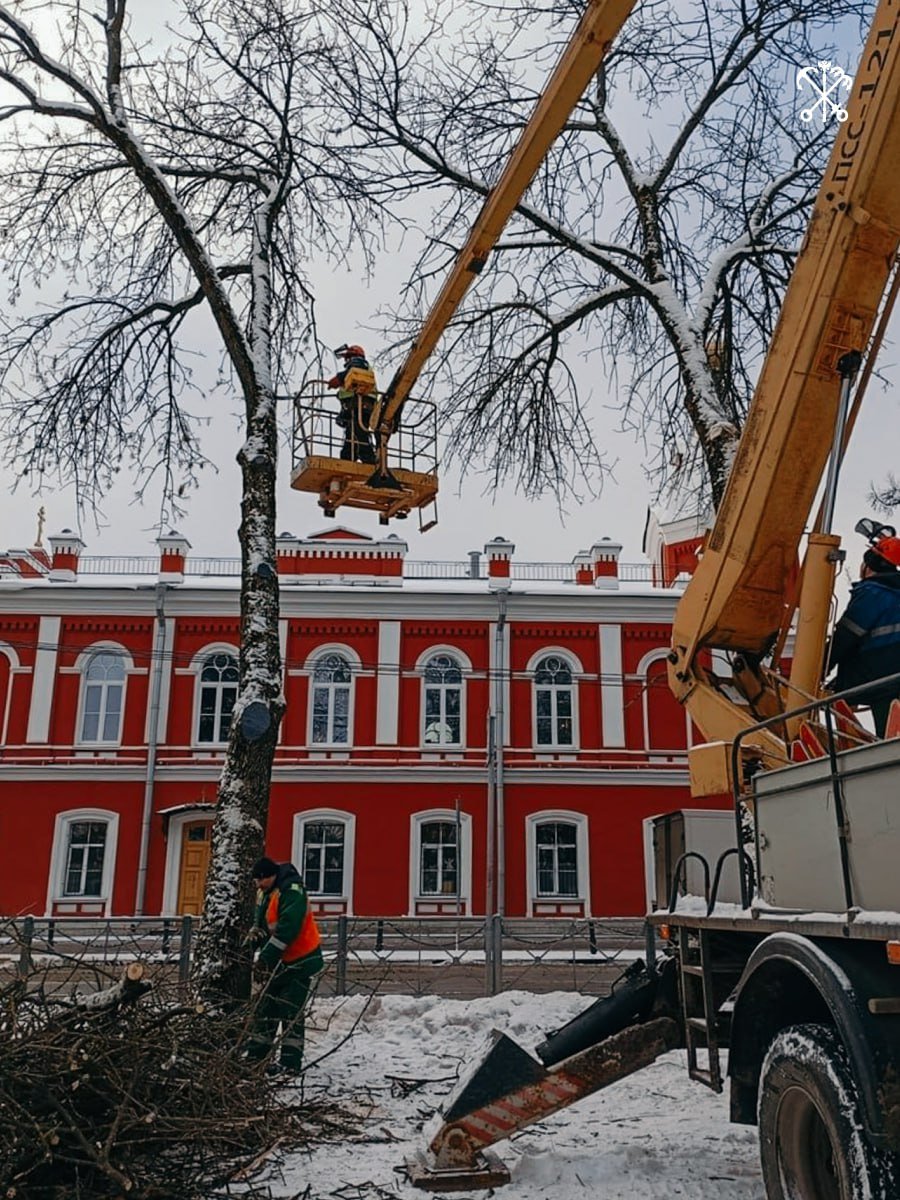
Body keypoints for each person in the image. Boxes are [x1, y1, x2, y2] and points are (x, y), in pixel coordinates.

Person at [245, 857, 324, 1074]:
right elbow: (263, 922)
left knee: (291, 1012)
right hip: (281, 961)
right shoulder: (267, 892)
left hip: (301, 960)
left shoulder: (293, 891)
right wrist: (254, 939)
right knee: (266, 1008)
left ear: (270, 877)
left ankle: (290, 1063)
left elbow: (287, 930)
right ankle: (256, 1057)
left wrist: (265, 957)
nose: (258, 886)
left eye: (260, 881)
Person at [828, 534, 900, 736]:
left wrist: (822, 666)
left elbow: (845, 637)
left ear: (868, 565)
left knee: (888, 743)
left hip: (881, 684)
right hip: (890, 680)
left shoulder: (872, 594)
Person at [327, 343, 377, 465]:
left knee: (359, 432)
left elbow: (353, 370)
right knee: (352, 435)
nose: (346, 360)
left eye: (347, 357)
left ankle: (368, 458)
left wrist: (338, 379)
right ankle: (348, 457)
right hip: (357, 407)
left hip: (361, 405)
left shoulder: (359, 364)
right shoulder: (355, 373)